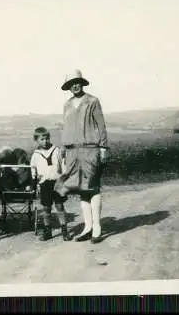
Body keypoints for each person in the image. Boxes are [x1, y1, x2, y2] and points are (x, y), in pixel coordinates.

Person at [54, 69, 109, 244]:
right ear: (68, 87)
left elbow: (101, 126)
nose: (75, 85)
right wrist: (63, 147)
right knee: (80, 189)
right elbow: (66, 127)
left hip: (90, 149)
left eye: (77, 82)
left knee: (92, 187)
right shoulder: (67, 104)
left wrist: (103, 147)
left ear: (82, 83)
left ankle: (97, 227)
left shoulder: (92, 101)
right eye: (71, 83)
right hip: (71, 151)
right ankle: (88, 227)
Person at [30, 127, 72, 242]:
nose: (45, 141)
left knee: (59, 206)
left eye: (47, 138)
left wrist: (64, 179)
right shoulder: (36, 154)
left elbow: (63, 165)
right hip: (44, 184)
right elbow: (33, 169)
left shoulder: (56, 150)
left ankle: (65, 231)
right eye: (42, 139)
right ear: (37, 140)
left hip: (57, 182)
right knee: (46, 208)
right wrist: (36, 180)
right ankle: (47, 231)